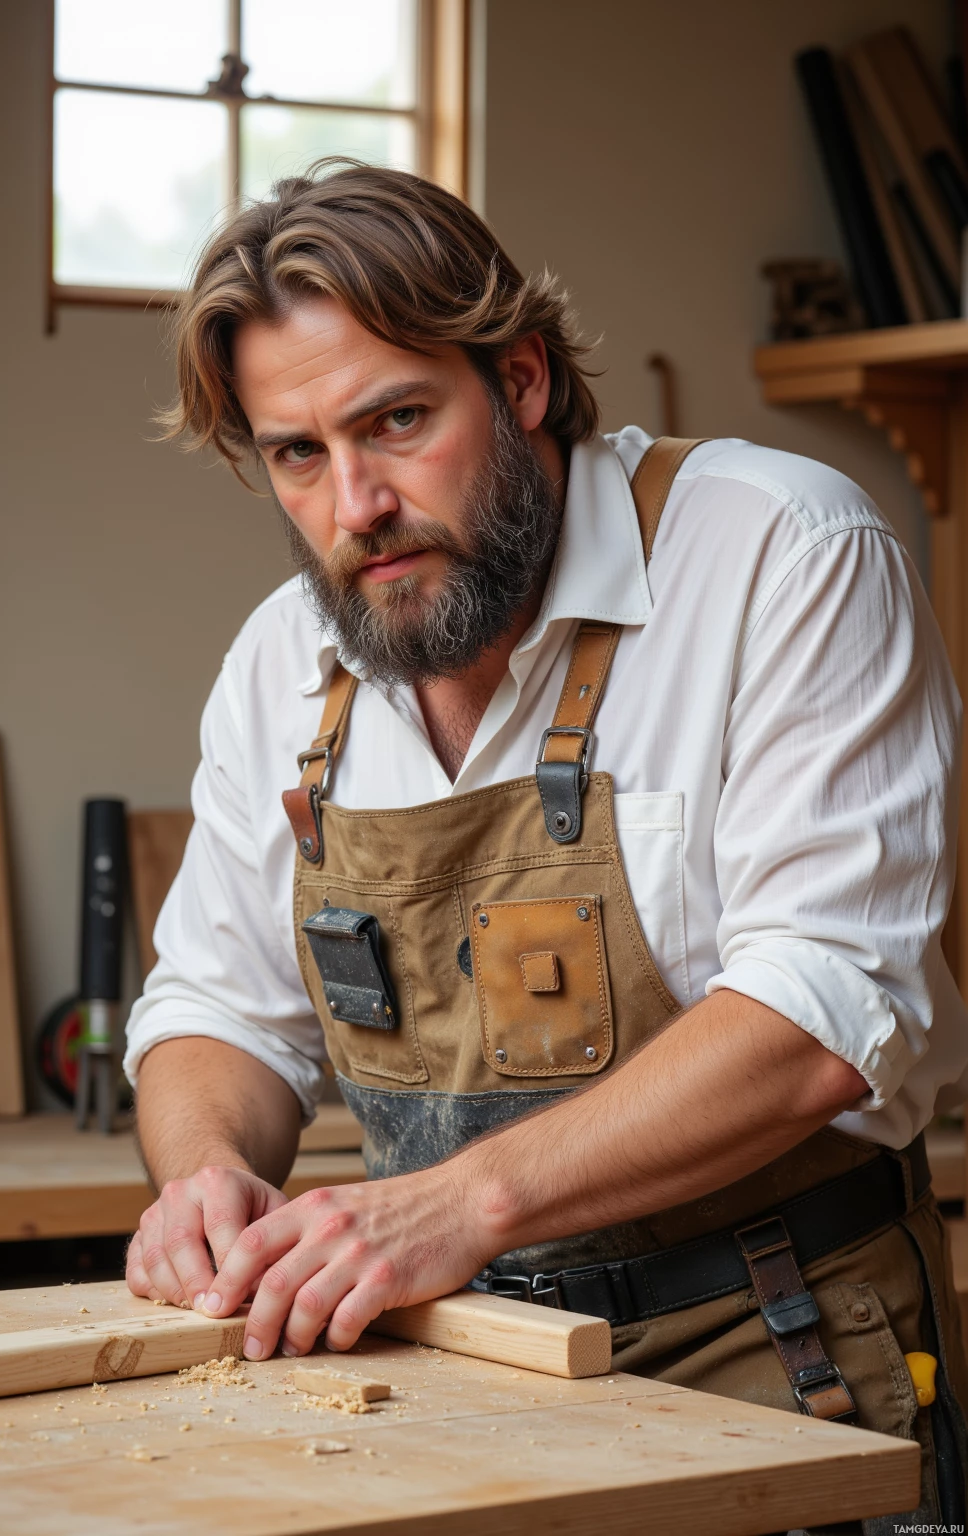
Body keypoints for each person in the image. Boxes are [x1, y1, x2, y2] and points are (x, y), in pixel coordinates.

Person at [124, 163, 967, 1526]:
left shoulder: (784, 554)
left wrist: (457, 1207)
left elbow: (820, 1011)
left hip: (770, 1347)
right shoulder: (284, 664)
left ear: (518, 381)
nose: (355, 509)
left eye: (396, 421)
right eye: (297, 454)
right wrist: (206, 1169)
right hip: (448, 1373)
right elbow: (218, 1007)